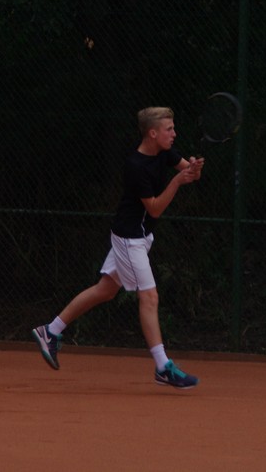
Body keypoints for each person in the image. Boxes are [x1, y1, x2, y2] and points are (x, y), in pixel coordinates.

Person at [31, 107, 205, 389]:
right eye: (169, 129)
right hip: (129, 238)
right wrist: (177, 181)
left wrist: (194, 169)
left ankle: (50, 331)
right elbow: (155, 208)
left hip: (141, 235)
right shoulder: (135, 166)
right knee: (149, 297)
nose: (174, 133)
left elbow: (189, 172)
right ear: (153, 133)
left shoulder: (165, 152)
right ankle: (163, 367)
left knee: (106, 289)